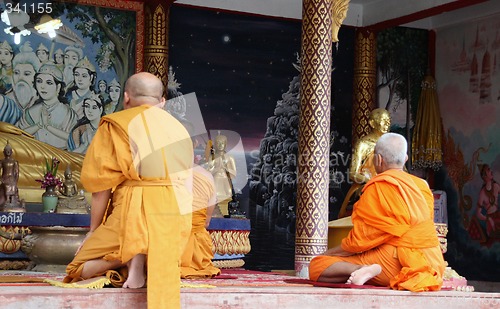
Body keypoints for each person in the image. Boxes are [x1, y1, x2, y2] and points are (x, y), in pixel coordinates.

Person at [62, 72, 194, 309]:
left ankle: (132, 255)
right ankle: (142, 259)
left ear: (126, 98)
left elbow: (101, 186)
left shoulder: (115, 124)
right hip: (173, 217)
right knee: (165, 261)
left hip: (133, 208)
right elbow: (187, 182)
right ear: (162, 101)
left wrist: (93, 230)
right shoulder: (181, 129)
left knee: (77, 269)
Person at [309, 133, 446, 292]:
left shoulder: (378, 187)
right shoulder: (422, 185)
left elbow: (359, 241)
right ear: (406, 158)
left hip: (398, 264)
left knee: (317, 265)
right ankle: (363, 270)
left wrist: (328, 254)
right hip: (433, 263)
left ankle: (359, 269)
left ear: (378, 160)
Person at [179, 120, 220, 279]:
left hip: (170, 247)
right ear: (195, 143)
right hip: (197, 253)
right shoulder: (207, 176)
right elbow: (206, 222)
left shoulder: (163, 175)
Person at [338, 108, 391, 218]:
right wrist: (373, 182)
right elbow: (353, 173)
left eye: (389, 120)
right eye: (383, 120)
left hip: (389, 186)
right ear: (372, 123)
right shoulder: (364, 144)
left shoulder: (391, 144)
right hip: (367, 186)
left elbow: (401, 170)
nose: (387, 123)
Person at [17, 62, 78, 149]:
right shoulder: (30, 112)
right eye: (39, 81)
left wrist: (48, 127)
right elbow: (18, 136)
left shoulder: (68, 113)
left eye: (49, 83)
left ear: (58, 87)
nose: (42, 87)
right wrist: (39, 125)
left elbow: (74, 139)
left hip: (61, 157)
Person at [206, 133, 237, 216]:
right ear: (215, 144)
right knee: (214, 195)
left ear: (225, 144)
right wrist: (216, 168)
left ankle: (225, 212)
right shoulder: (212, 157)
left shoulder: (229, 157)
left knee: (228, 194)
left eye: (222, 143)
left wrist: (226, 168)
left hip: (225, 180)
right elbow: (208, 172)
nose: (220, 145)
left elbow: (234, 173)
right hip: (216, 178)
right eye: (218, 143)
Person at [476, 164, 500, 237]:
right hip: (490, 220)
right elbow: (478, 214)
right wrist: (488, 219)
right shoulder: (482, 193)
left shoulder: (496, 186)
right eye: (489, 170)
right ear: (484, 176)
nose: (491, 171)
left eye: (490, 169)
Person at [0, 142, 20, 209]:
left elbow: (17, 172)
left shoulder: (14, 161)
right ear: (3, 152)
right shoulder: (2, 161)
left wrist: (15, 180)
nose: (8, 152)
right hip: (4, 178)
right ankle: (7, 200)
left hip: (12, 178)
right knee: (6, 186)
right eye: (6, 151)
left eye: (9, 151)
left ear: (12, 152)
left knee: (13, 186)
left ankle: (12, 200)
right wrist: (1, 179)